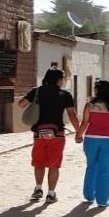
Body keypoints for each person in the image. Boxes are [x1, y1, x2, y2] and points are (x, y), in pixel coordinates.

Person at [18, 67, 79, 204]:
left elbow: (21, 104)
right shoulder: (65, 95)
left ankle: (38, 189)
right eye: (62, 78)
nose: (63, 81)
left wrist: (34, 100)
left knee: (39, 163)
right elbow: (72, 115)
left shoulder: (37, 91)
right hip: (57, 134)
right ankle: (51, 194)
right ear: (58, 80)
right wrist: (79, 133)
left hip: (39, 134)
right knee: (54, 165)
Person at [75, 81, 109, 207]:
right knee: (105, 169)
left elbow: (84, 123)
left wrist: (78, 135)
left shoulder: (90, 105)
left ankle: (89, 196)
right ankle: (102, 200)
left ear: (97, 91)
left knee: (91, 166)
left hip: (91, 139)